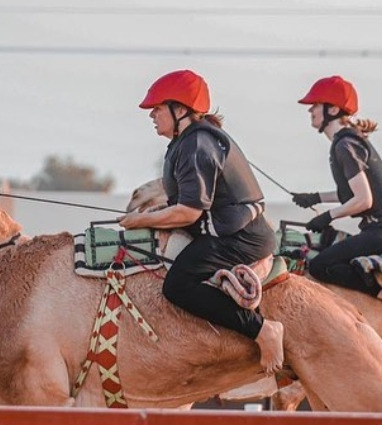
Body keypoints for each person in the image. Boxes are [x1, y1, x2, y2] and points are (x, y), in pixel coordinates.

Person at [117, 69, 284, 372]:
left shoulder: (197, 144)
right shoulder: (191, 140)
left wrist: (141, 221)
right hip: (225, 231)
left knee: (178, 285)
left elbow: (188, 212)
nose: (152, 115)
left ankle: (262, 330)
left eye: (158, 108)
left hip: (240, 238)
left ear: (180, 110)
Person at [292, 75, 382, 295]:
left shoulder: (345, 146)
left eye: (315, 105)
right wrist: (315, 198)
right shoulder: (346, 142)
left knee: (320, 266)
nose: (310, 111)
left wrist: (328, 216)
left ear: (333, 110)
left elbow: (363, 200)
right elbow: (352, 193)